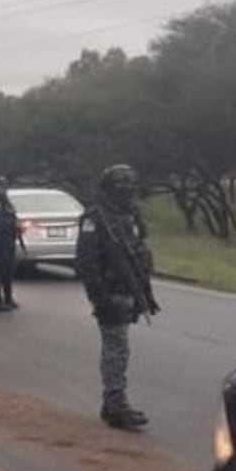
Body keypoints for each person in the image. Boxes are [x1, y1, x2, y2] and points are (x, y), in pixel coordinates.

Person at [75, 164, 160, 430]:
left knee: (120, 349)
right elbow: (86, 262)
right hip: (109, 293)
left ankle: (114, 401)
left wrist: (144, 292)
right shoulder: (96, 217)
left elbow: (138, 252)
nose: (127, 192)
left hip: (128, 290)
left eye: (129, 187)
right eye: (121, 187)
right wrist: (99, 297)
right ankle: (114, 403)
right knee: (117, 348)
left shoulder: (130, 215)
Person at [0, 179, 25, 312]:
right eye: (0, 187)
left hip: (9, 239)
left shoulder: (6, 202)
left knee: (8, 270)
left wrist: (17, 228)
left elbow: (13, 217)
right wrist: (11, 223)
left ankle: (8, 298)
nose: (3, 189)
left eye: (4, 186)